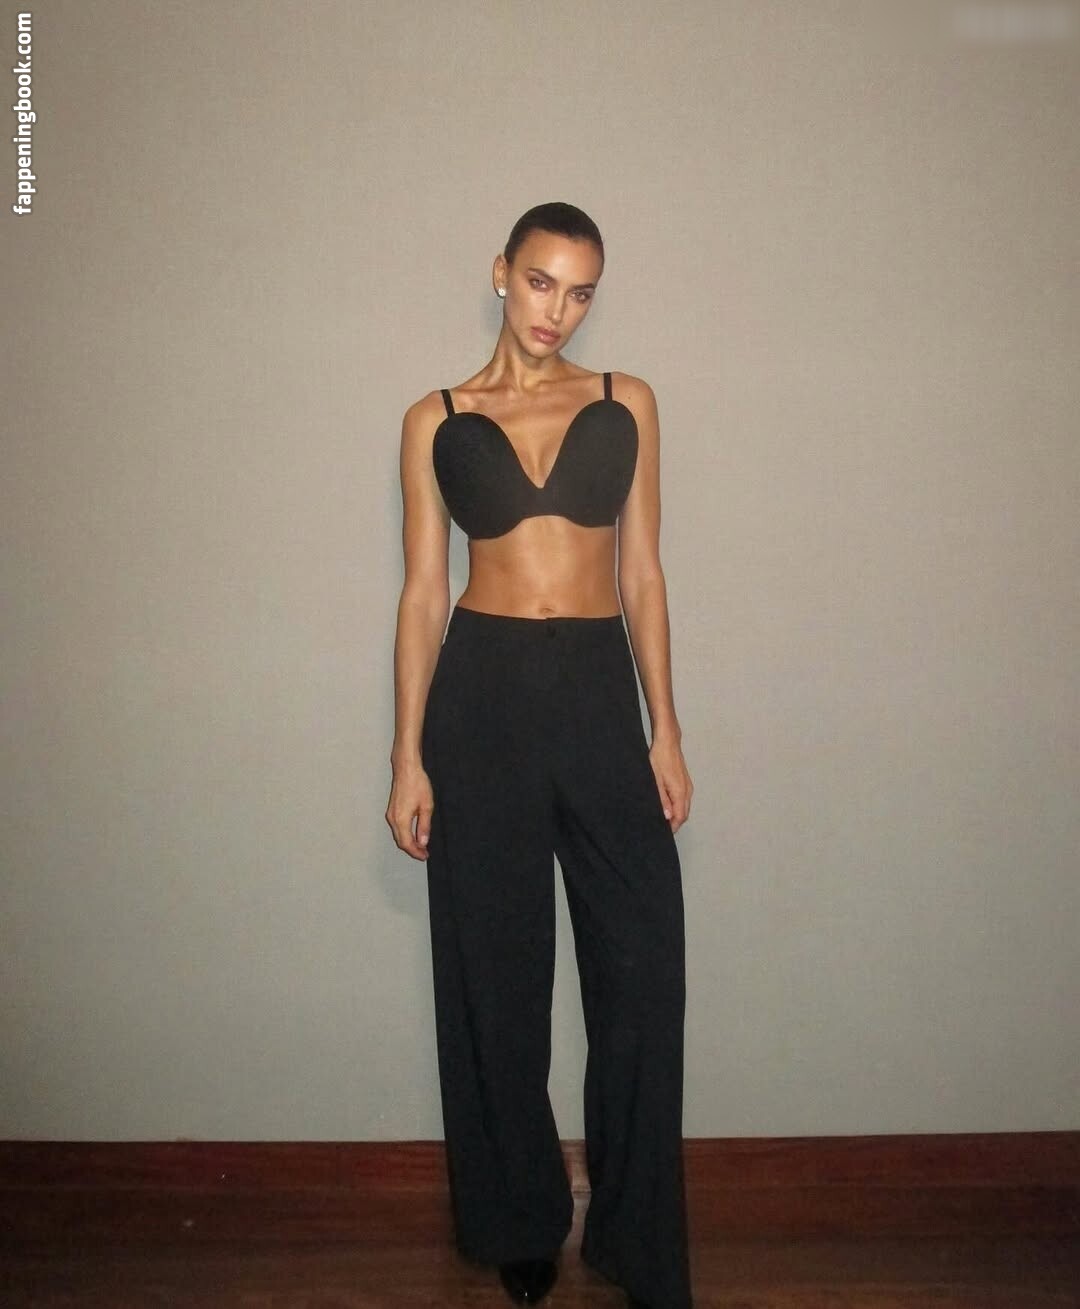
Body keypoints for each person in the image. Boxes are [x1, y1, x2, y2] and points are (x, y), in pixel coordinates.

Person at [386, 202, 694, 1309]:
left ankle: (632, 1232)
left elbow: (643, 573)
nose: (558, 309)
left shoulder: (626, 400)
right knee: (496, 974)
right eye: (540, 282)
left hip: (598, 699)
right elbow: (424, 593)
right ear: (501, 274)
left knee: (642, 971)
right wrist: (406, 754)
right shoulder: (436, 418)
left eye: (580, 291)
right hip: (483, 702)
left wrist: (665, 725)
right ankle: (518, 1216)